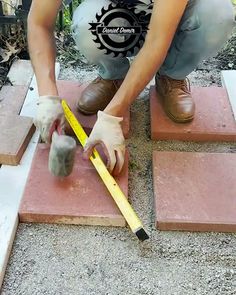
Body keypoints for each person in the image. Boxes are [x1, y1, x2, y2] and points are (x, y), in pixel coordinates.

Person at [29, 0, 234, 175]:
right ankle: (114, 77)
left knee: (216, 16)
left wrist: (112, 115)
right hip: (123, 19)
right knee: (88, 25)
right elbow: (39, 22)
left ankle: (171, 75)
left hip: (178, 19)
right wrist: (47, 95)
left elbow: (157, 41)